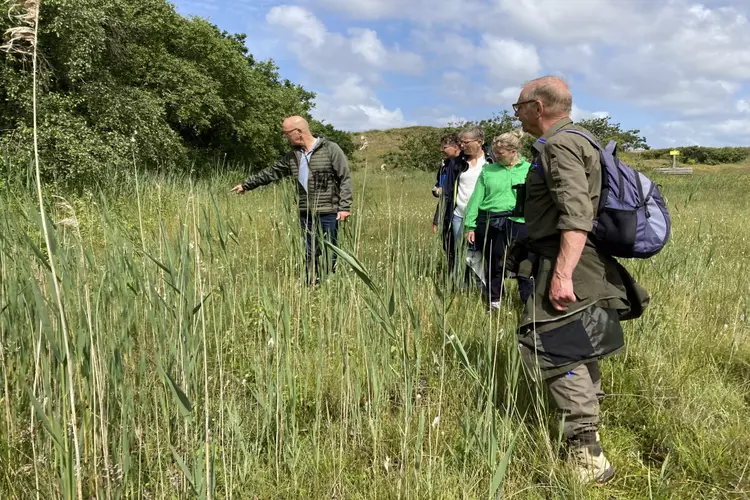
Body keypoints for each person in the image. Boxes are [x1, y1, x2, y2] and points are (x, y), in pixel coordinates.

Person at [511, 76, 649, 484]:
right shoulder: (582, 139)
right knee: (581, 348)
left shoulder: (561, 144)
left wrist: (561, 276)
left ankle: (588, 458)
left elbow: (575, 215)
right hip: (579, 261)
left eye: (519, 105)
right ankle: (589, 438)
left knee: (557, 349)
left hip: (568, 262)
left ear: (538, 107)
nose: (515, 112)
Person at [231, 116, 353, 284]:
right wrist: (247, 185)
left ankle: (330, 282)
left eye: (286, 133)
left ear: (298, 132)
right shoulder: (293, 156)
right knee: (310, 251)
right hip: (306, 213)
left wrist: (344, 206)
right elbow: (271, 172)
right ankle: (312, 283)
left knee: (330, 249)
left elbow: (344, 177)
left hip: (329, 211)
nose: (286, 137)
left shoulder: (331, 149)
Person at [464, 130, 532, 310]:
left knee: (524, 265)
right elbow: (476, 198)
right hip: (492, 221)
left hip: (521, 222)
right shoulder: (488, 171)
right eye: (494, 153)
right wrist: (470, 225)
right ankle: (495, 301)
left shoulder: (529, 170)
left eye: (500, 154)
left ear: (513, 152)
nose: (496, 156)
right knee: (494, 262)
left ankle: (528, 303)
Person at [433, 126, 494, 288]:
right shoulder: (455, 164)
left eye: (465, 142)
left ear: (479, 142)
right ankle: (461, 286)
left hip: (484, 216)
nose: (461, 145)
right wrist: (438, 217)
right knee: (459, 252)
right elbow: (447, 193)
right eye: (460, 142)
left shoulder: (491, 162)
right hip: (459, 215)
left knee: (483, 252)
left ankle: (485, 287)